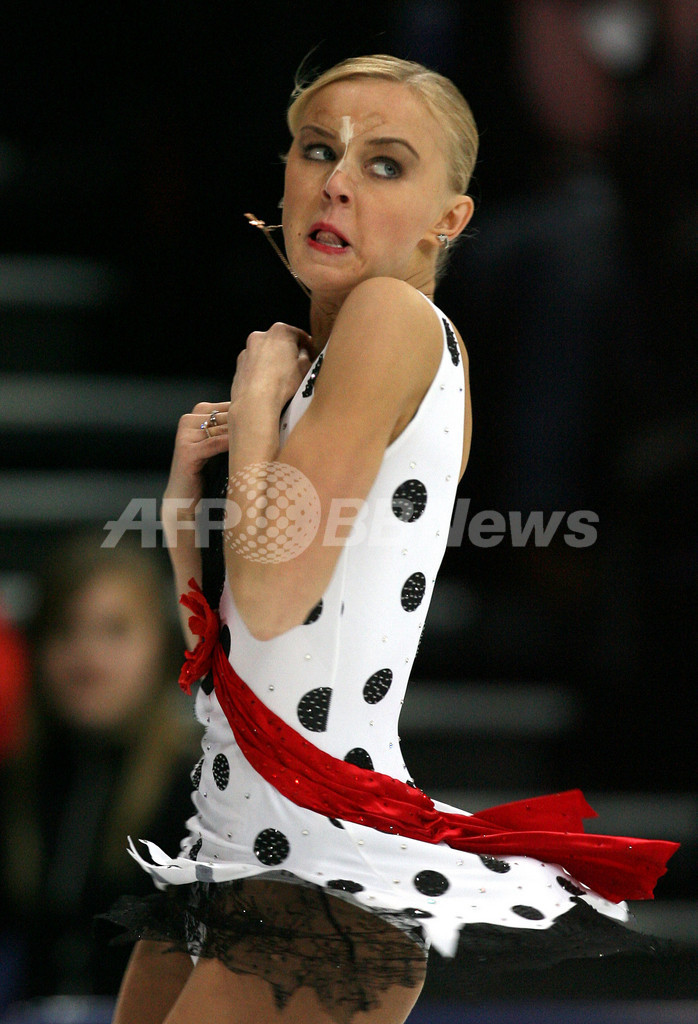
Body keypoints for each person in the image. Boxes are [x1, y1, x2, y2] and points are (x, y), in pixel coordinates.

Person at [108, 55, 678, 1024]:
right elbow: (227, 649)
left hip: (313, 867)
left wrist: (255, 401)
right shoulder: (341, 358)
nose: (336, 181)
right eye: (316, 150)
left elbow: (273, 596)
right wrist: (185, 484)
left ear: (447, 219)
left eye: (383, 164)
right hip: (237, 844)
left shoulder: (392, 318)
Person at [0, 532, 200, 1003]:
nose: (88, 654)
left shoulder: (200, 792)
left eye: (115, 630)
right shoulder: (16, 785)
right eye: (65, 630)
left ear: (161, 645)